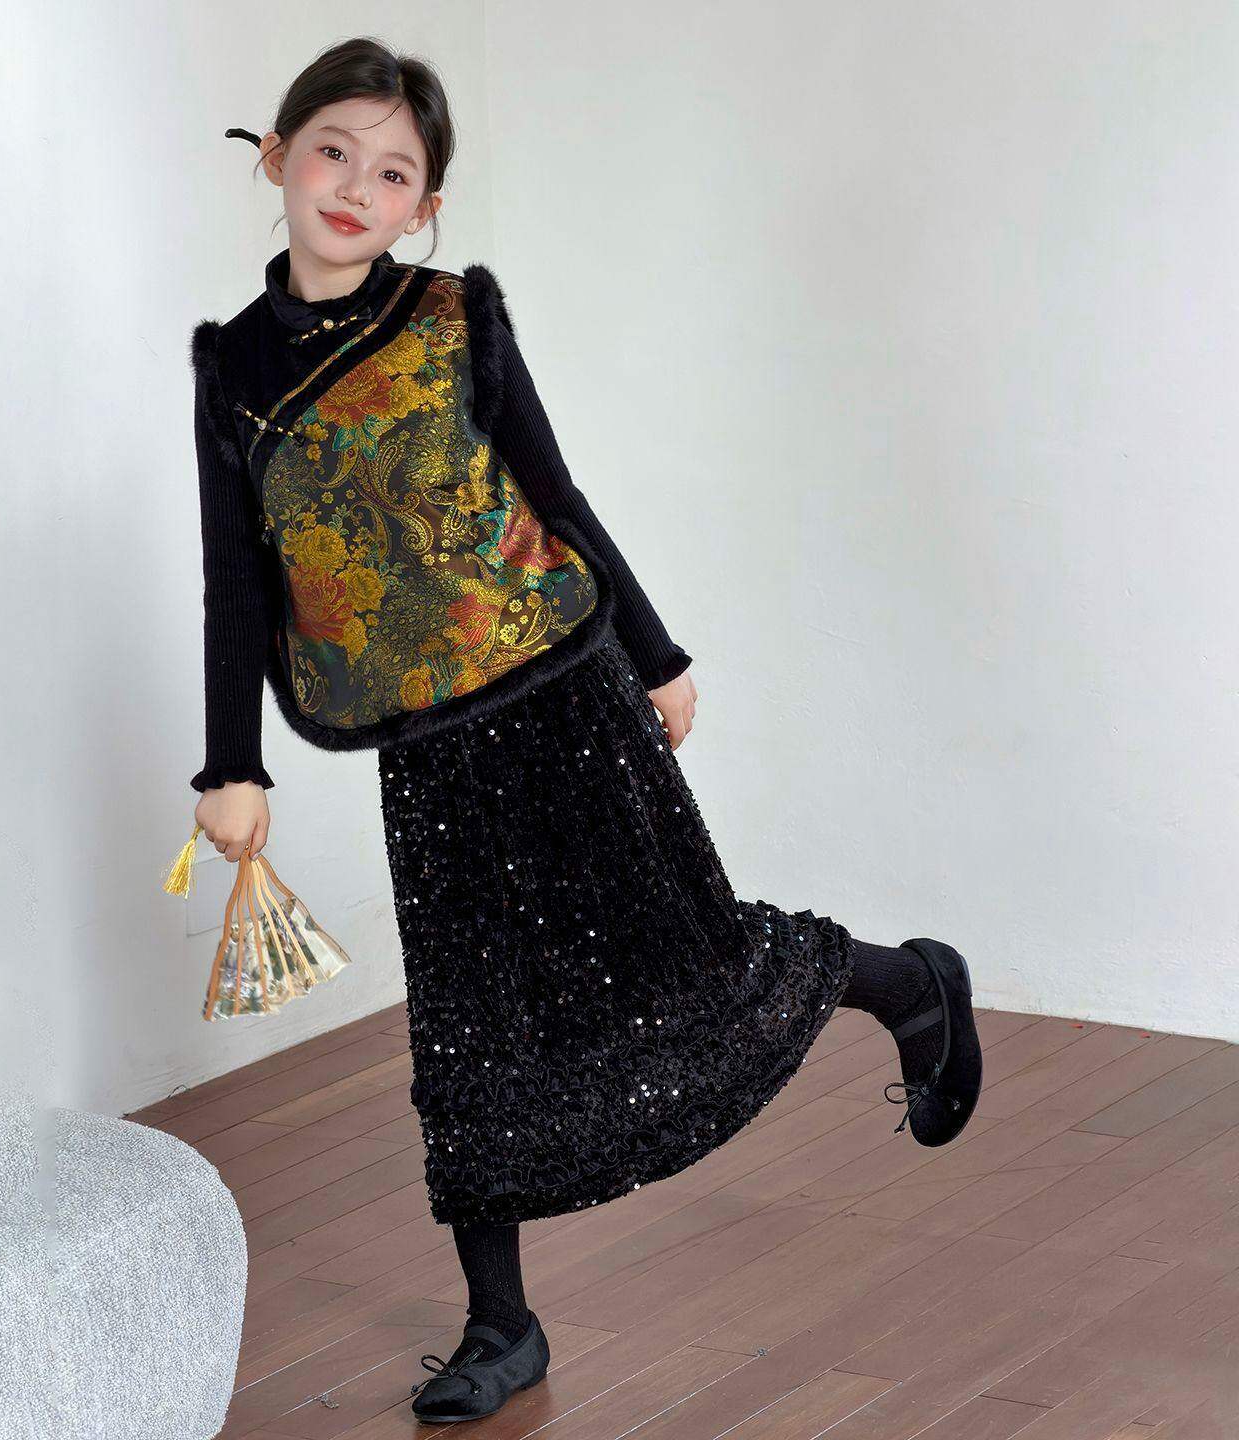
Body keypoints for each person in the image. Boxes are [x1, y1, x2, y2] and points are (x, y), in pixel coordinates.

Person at [187, 36, 983, 1425]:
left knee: (693, 952)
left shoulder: (454, 317)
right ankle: (501, 1325)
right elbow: (237, 580)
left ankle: (910, 988)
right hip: (425, 742)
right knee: (468, 1028)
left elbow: (553, 494)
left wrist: (656, 654)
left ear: (427, 207)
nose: (356, 187)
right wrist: (230, 763)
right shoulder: (233, 369)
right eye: (332, 152)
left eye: (394, 172)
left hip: (563, 687)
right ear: (275, 158)